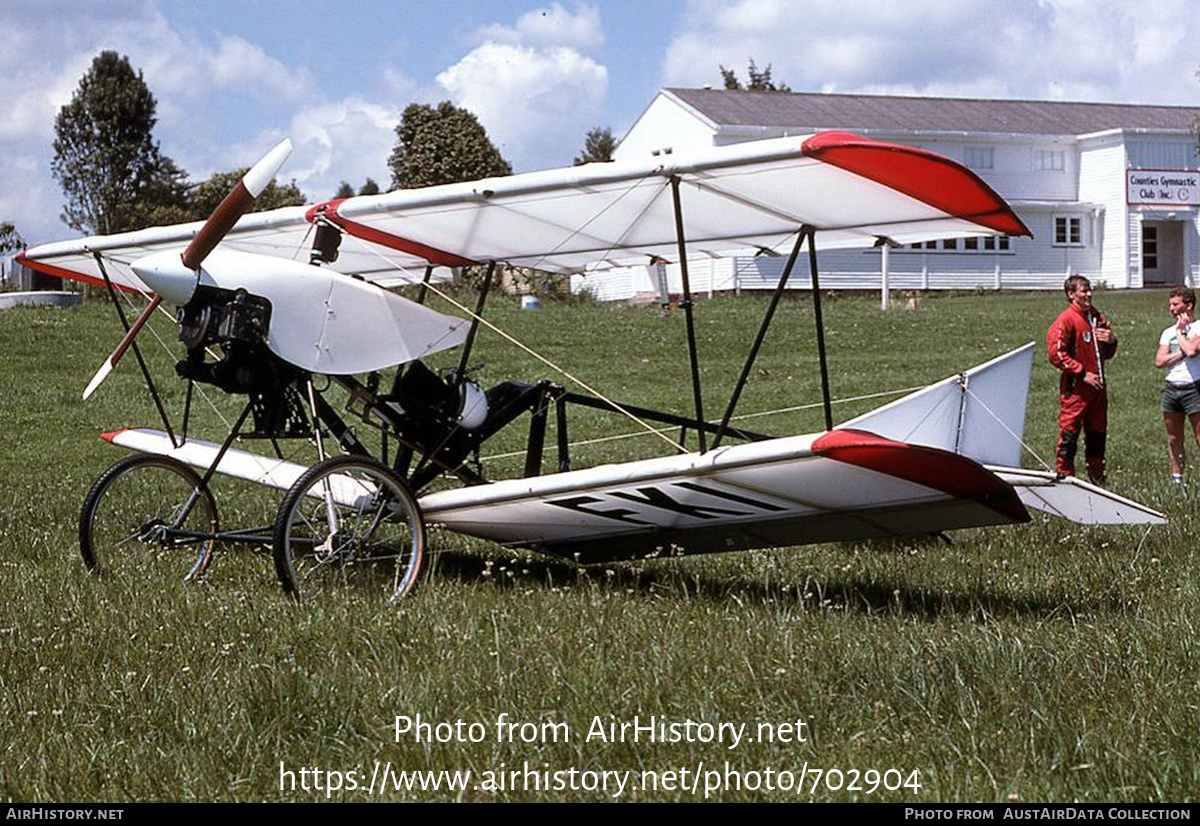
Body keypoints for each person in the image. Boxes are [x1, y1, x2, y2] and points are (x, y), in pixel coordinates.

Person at [1047, 274, 1118, 483]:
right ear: (1071, 294)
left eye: (1090, 290)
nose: (1089, 294)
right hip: (1076, 389)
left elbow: (1105, 352)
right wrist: (1082, 373)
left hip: (1098, 389)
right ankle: (1064, 476)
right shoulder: (1067, 319)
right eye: (1083, 290)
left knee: (1097, 433)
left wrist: (1112, 341)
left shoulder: (1097, 317)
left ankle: (1097, 477)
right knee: (1070, 432)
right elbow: (1056, 354)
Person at [1154, 285, 1200, 484]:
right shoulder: (1167, 333)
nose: (1171, 309)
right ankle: (1177, 479)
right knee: (1174, 439)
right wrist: (1181, 352)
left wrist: (1181, 334)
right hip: (1172, 389)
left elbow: (1192, 350)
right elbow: (1159, 361)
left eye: (1175, 304)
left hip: (1194, 388)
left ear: (1188, 305)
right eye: (1170, 305)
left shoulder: (1198, 328)